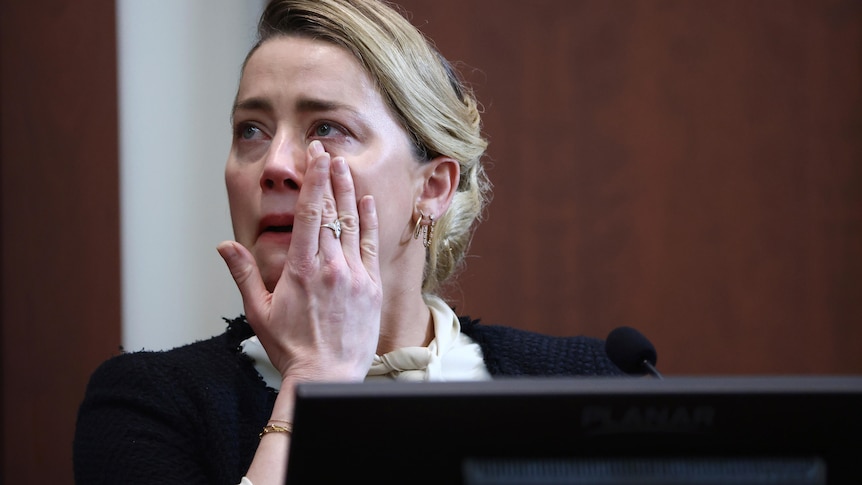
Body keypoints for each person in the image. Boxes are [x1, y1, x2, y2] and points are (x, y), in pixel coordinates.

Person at [73, 0, 624, 484]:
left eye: (327, 129)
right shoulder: (147, 405)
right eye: (251, 130)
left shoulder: (593, 385)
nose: (276, 167)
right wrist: (315, 378)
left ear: (431, 187)